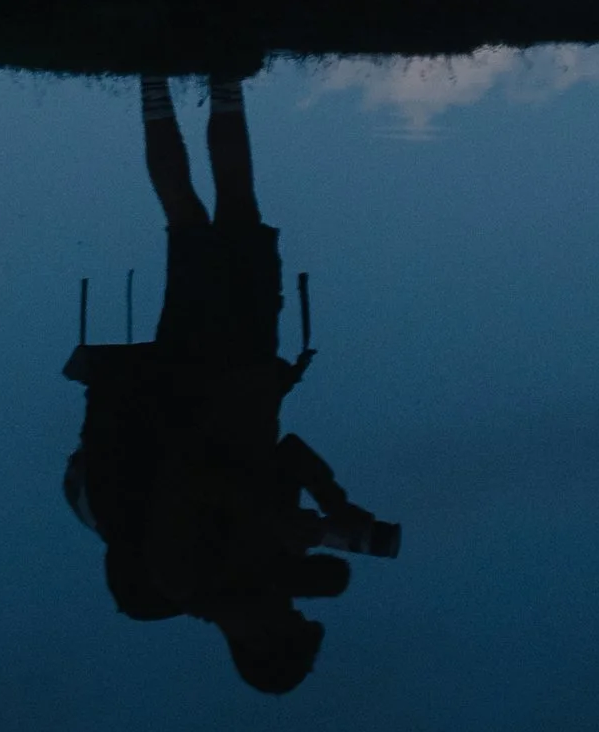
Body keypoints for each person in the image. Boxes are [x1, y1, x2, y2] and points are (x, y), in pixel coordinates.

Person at [61, 76, 400, 693]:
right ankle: (216, 78)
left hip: (198, 371)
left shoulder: (183, 577)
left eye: (292, 626)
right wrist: (332, 506)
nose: (293, 612)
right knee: (228, 209)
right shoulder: (262, 571)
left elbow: (191, 475)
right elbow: (287, 452)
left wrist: (279, 525)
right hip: (245, 372)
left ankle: (162, 76)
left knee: (195, 216)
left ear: (260, 642)